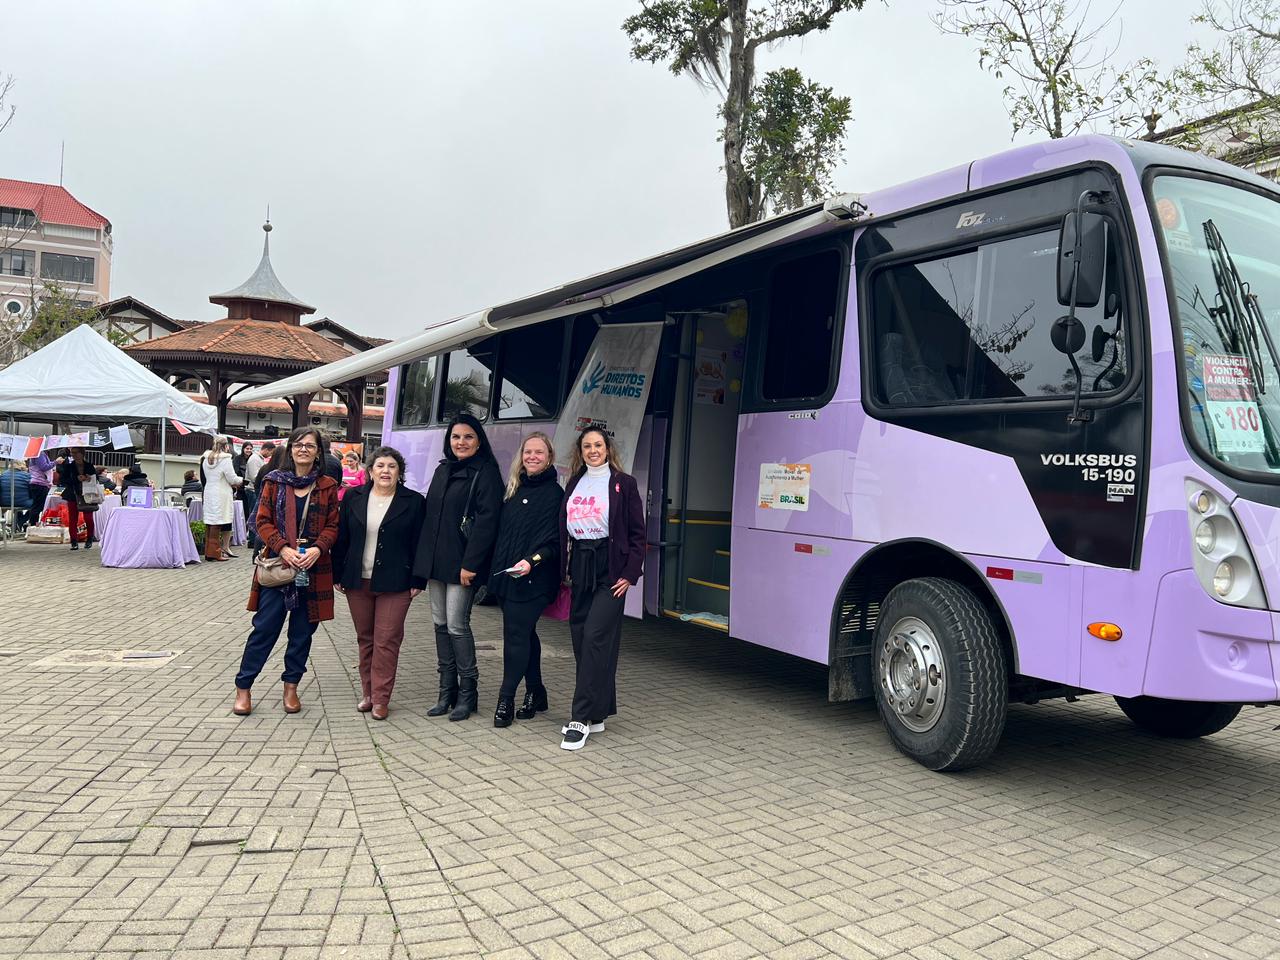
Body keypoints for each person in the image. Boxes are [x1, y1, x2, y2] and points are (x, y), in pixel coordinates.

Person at [233, 426, 340, 716]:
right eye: (298, 444)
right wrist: (283, 547)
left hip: (313, 569)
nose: (303, 449)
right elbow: (261, 521)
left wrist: (318, 549)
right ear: (290, 449)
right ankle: (244, 687)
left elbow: (333, 525)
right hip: (278, 565)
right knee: (264, 629)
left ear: (319, 452)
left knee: (302, 634)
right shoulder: (274, 481)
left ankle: (291, 687)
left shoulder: (328, 485)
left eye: (310, 445)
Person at [557, 427, 646, 751]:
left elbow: (638, 534)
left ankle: (579, 719)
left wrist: (630, 573)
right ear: (580, 451)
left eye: (598, 445)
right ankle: (598, 713)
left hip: (611, 571)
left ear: (607, 449)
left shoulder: (624, 483)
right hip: (580, 566)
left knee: (595, 638)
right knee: (584, 641)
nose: (593, 450)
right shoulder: (574, 482)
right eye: (587, 446)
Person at [413, 413, 503, 722]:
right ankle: (445, 692)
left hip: (463, 564)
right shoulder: (442, 470)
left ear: (479, 441)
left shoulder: (487, 473)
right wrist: (422, 565)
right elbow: (430, 518)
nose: (460, 442)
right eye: (455, 437)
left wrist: (471, 565)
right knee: (439, 625)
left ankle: (468, 694)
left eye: (467, 437)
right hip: (437, 562)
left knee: (457, 625)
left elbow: (488, 524)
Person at [332, 447, 425, 720]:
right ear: (370, 471)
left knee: (387, 640)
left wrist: (418, 578)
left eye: (392, 466)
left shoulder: (414, 501)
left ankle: (382, 699)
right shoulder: (353, 497)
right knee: (366, 639)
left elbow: (421, 543)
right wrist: (337, 573)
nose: (386, 471)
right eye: (380, 466)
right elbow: (342, 537)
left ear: (400, 472)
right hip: (357, 580)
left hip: (397, 582)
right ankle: (368, 694)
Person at [488, 432, 562, 728]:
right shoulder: (512, 490)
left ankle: (506, 698)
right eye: (528, 452)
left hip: (536, 579)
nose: (532, 457)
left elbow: (555, 542)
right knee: (526, 634)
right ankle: (536, 692)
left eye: (539, 452)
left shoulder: (556, 494)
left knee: (515, 635)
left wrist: (532, 562)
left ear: (549, 458)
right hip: (509, 578)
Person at [202, 436, 243, 562]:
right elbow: (232, 478)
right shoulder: (225, 460)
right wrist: (241, 480)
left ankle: (209, 551)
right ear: (226, 446)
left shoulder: (205, 459)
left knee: (210, 523)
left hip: (209, 491)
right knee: (217, 523)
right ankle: (215, 552)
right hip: (221, 493)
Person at [57, 447, 100, 551]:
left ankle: (89, 538)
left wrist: (89, 478)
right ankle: (74, 541)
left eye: (76, 453)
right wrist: (76, 479)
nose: (74, 455)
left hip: (87, 494)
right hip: (72, 493)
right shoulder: (68, 466)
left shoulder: (89, 465)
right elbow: (62, 480)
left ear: (82, 454)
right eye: (72, 453)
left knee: (88, 517)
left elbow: (96, 479)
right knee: (73, 518)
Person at [243, 442, 265, 547]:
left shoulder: (258, 459)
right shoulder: (255, 459)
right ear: (267, 449)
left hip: (254, 490)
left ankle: (253, 539)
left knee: (255, 514)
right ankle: (252, 540)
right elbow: (254, 477)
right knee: (254, 515)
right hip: (252, 490)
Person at [25, 451, 54, 529]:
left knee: (37, 506)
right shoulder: (40, 454)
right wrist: (55, 462)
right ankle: (33, 526)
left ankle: (33, 524)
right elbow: (44, 467)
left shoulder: (36, 454)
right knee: (37, 507)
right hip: (40, 483)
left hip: (39, 483)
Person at [0, 460, 32, 528]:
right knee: (38, 505)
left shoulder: (3, 475)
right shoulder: (27, 476)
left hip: (4, 502)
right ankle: (21, 521)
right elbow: (31, 490)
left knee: (16, 507)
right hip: (22, 502)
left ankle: (17, 523)